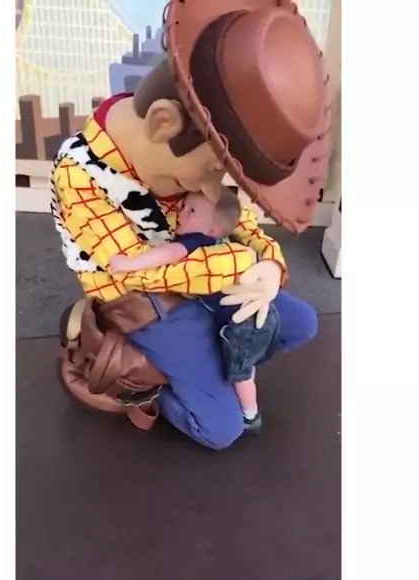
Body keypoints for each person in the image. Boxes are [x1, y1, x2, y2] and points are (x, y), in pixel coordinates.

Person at [52, 0, 331, 450]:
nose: (211, 188)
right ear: (163, 123)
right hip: (147, 300)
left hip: (203, 278)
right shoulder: (80, 173)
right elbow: (134, 270)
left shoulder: (187, 165)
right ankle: (146, 378)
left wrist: (269, 265)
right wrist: (237, 263)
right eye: (214, 170)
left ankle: (210, 363)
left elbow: (235, 220)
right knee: (221, 430)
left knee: (299, 323)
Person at [109, 188, 281, 432]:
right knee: (246, 366)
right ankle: (242, 398)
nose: (181, 212)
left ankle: (250, 416)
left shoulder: (196, 240)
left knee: (242, 374)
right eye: (183, 206)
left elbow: (168, 253)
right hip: (263, 313)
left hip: (242, 326)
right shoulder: (222, 241)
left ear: (212, 230)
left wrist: (130, 263)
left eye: (192, 211)